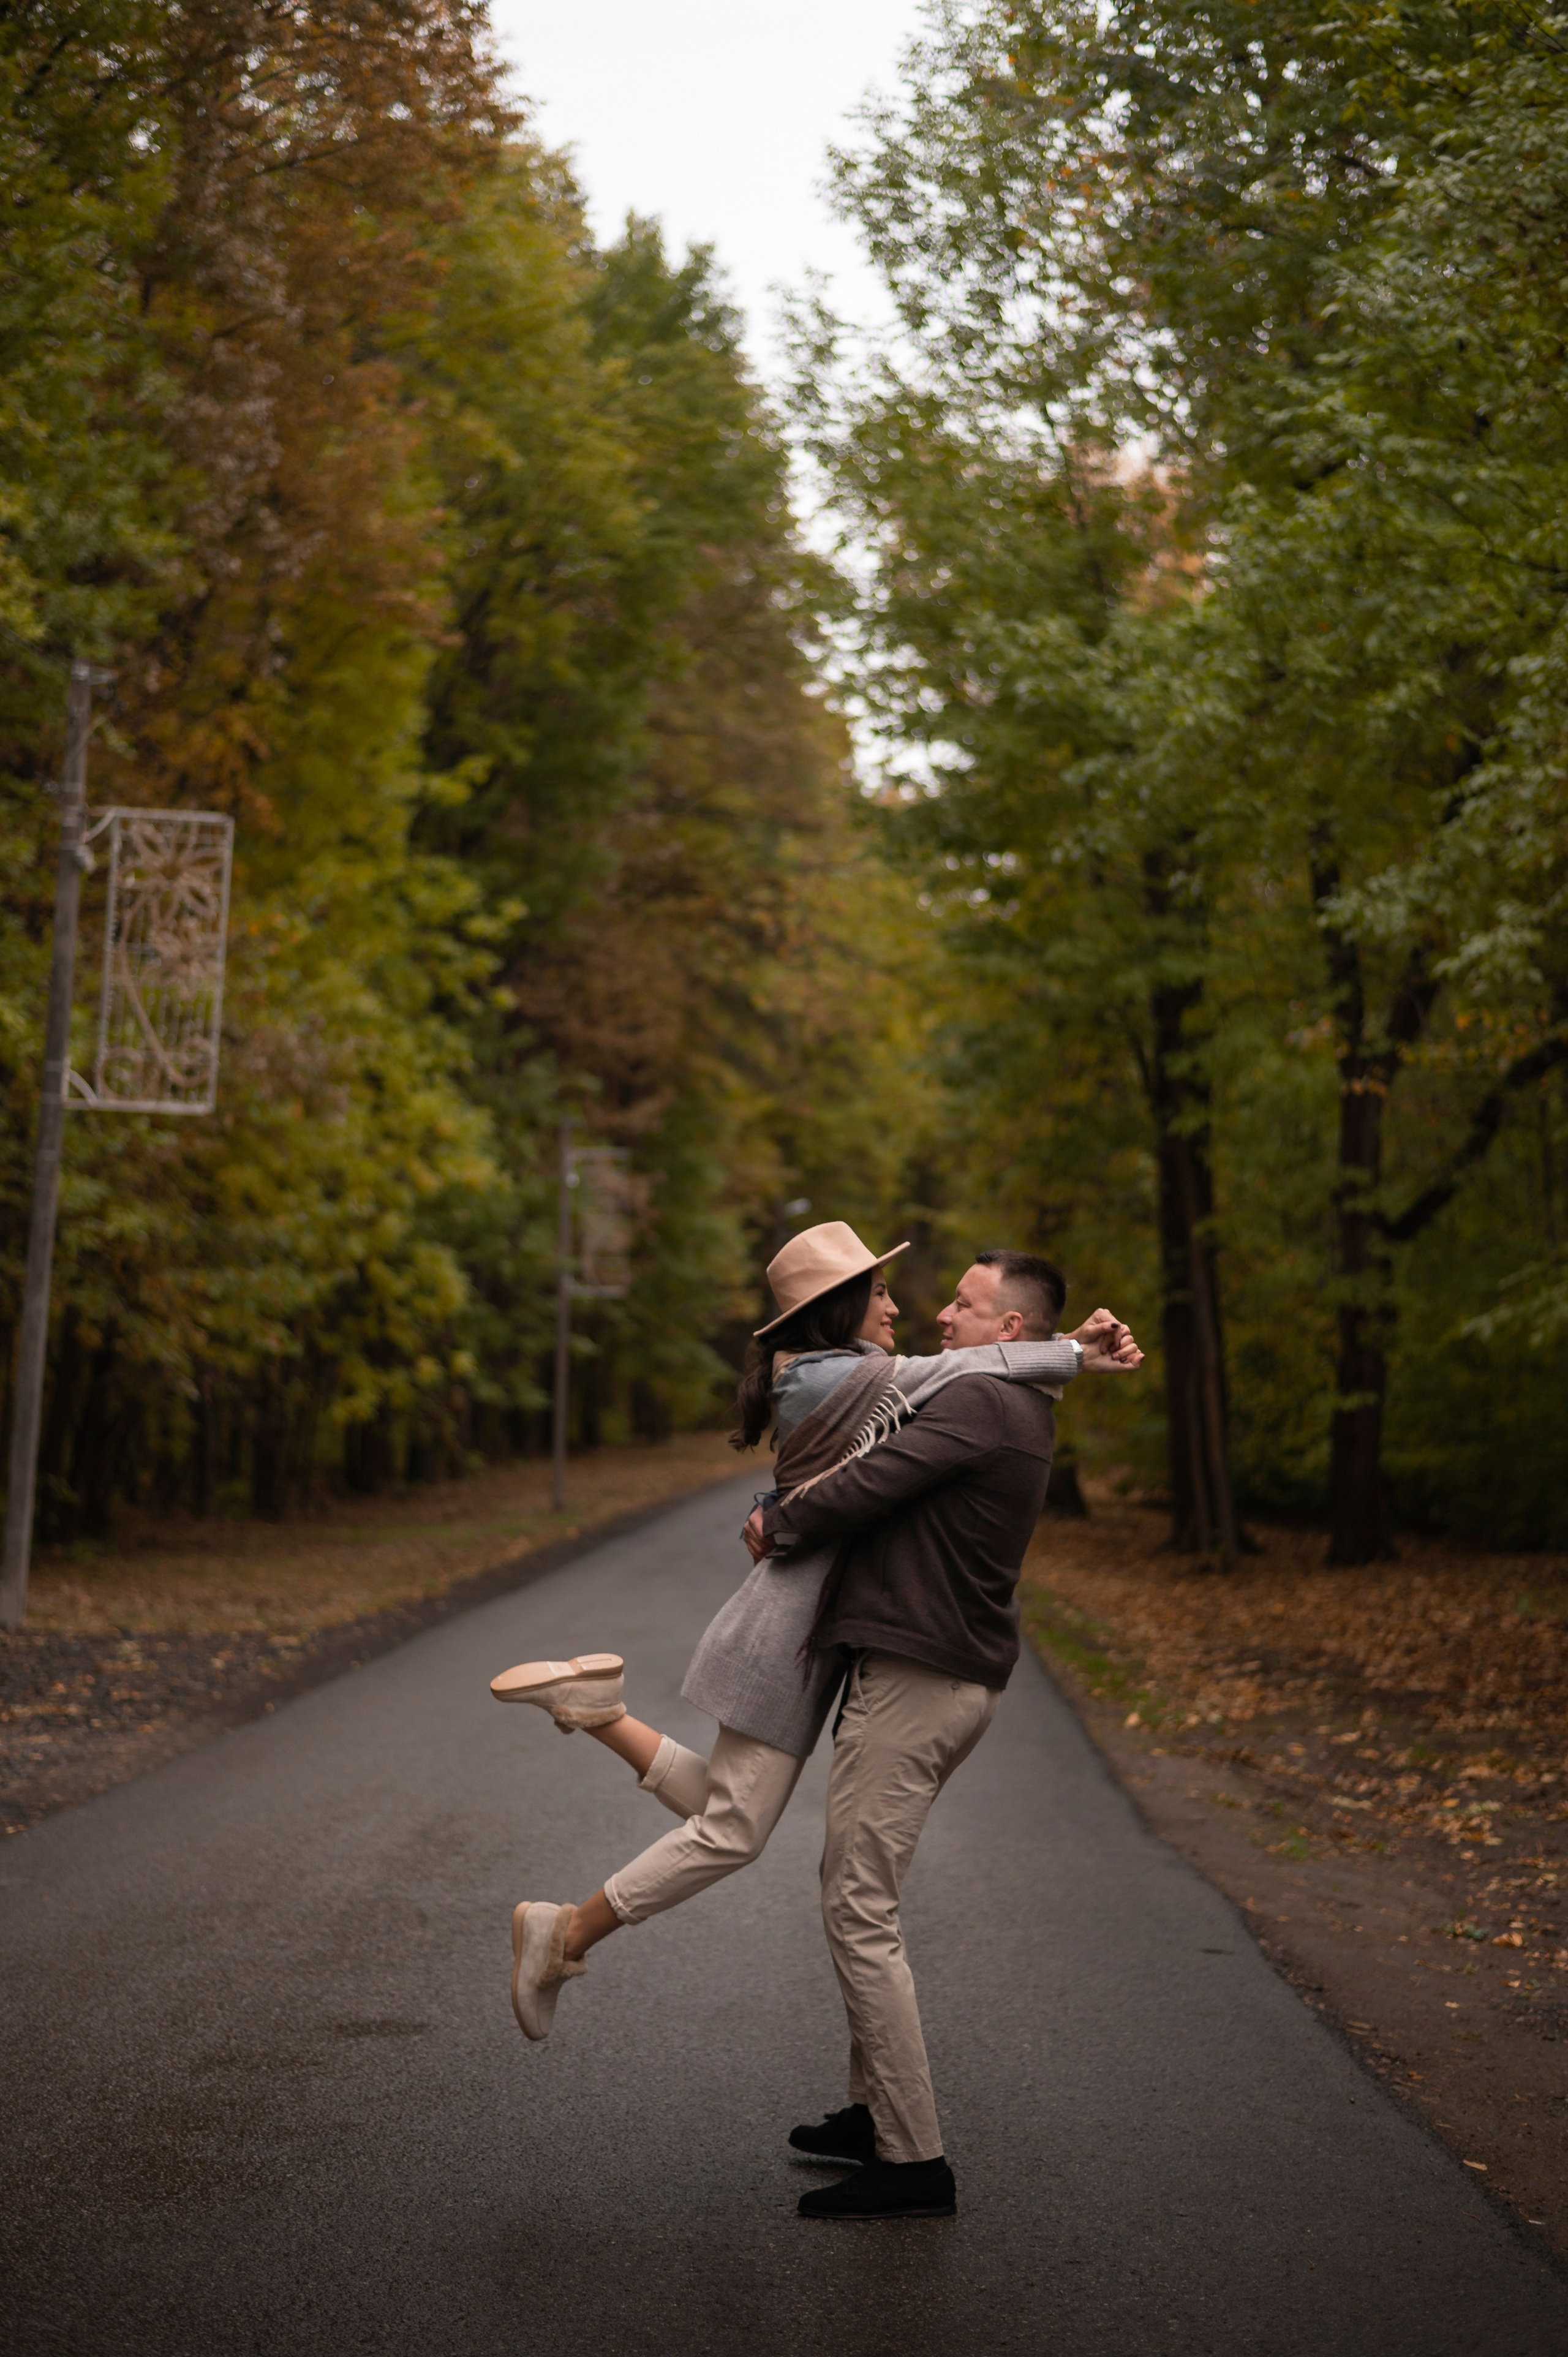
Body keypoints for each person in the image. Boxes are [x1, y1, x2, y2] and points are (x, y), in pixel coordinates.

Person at [490, 1223, 1140, 2053]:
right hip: (792, 1618)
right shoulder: (839, 1378)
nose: (900, 1306)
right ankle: (561, 1935)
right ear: (839, 1311)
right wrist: (1076, 1355)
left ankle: (595, 1710)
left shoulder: (831, 1373)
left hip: (807, 1615)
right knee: (734, 1828)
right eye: (879, 1293)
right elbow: (966, 1372)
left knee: (726, 1809)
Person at [738, 1246, 1140, 2221]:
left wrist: (778, 1521)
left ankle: (913, 2159)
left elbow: (859, 1487)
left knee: (858, 1908)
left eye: (965, 1306)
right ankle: (874, 2112)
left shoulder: (977, 1405)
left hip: (921, 1680)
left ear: (1011, 1330)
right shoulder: (1005, 1397)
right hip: (934, 1673)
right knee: (857, 1893)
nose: (941, 1317)